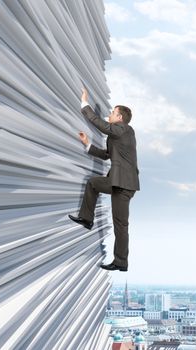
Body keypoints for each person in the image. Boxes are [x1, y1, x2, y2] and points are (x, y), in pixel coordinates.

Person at [69, 88, 140, 272]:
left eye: (113, 113)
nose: (109, 114)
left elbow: (101, 124)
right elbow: (107, 154)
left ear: (120, 118)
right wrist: (88, 145)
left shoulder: (124, 129)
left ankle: (121, 262)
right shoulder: (117, 135)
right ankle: (86, 218)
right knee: (93, 183)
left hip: (123, 185)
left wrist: (85, 103)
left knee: (121, 225)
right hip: (117, 182)